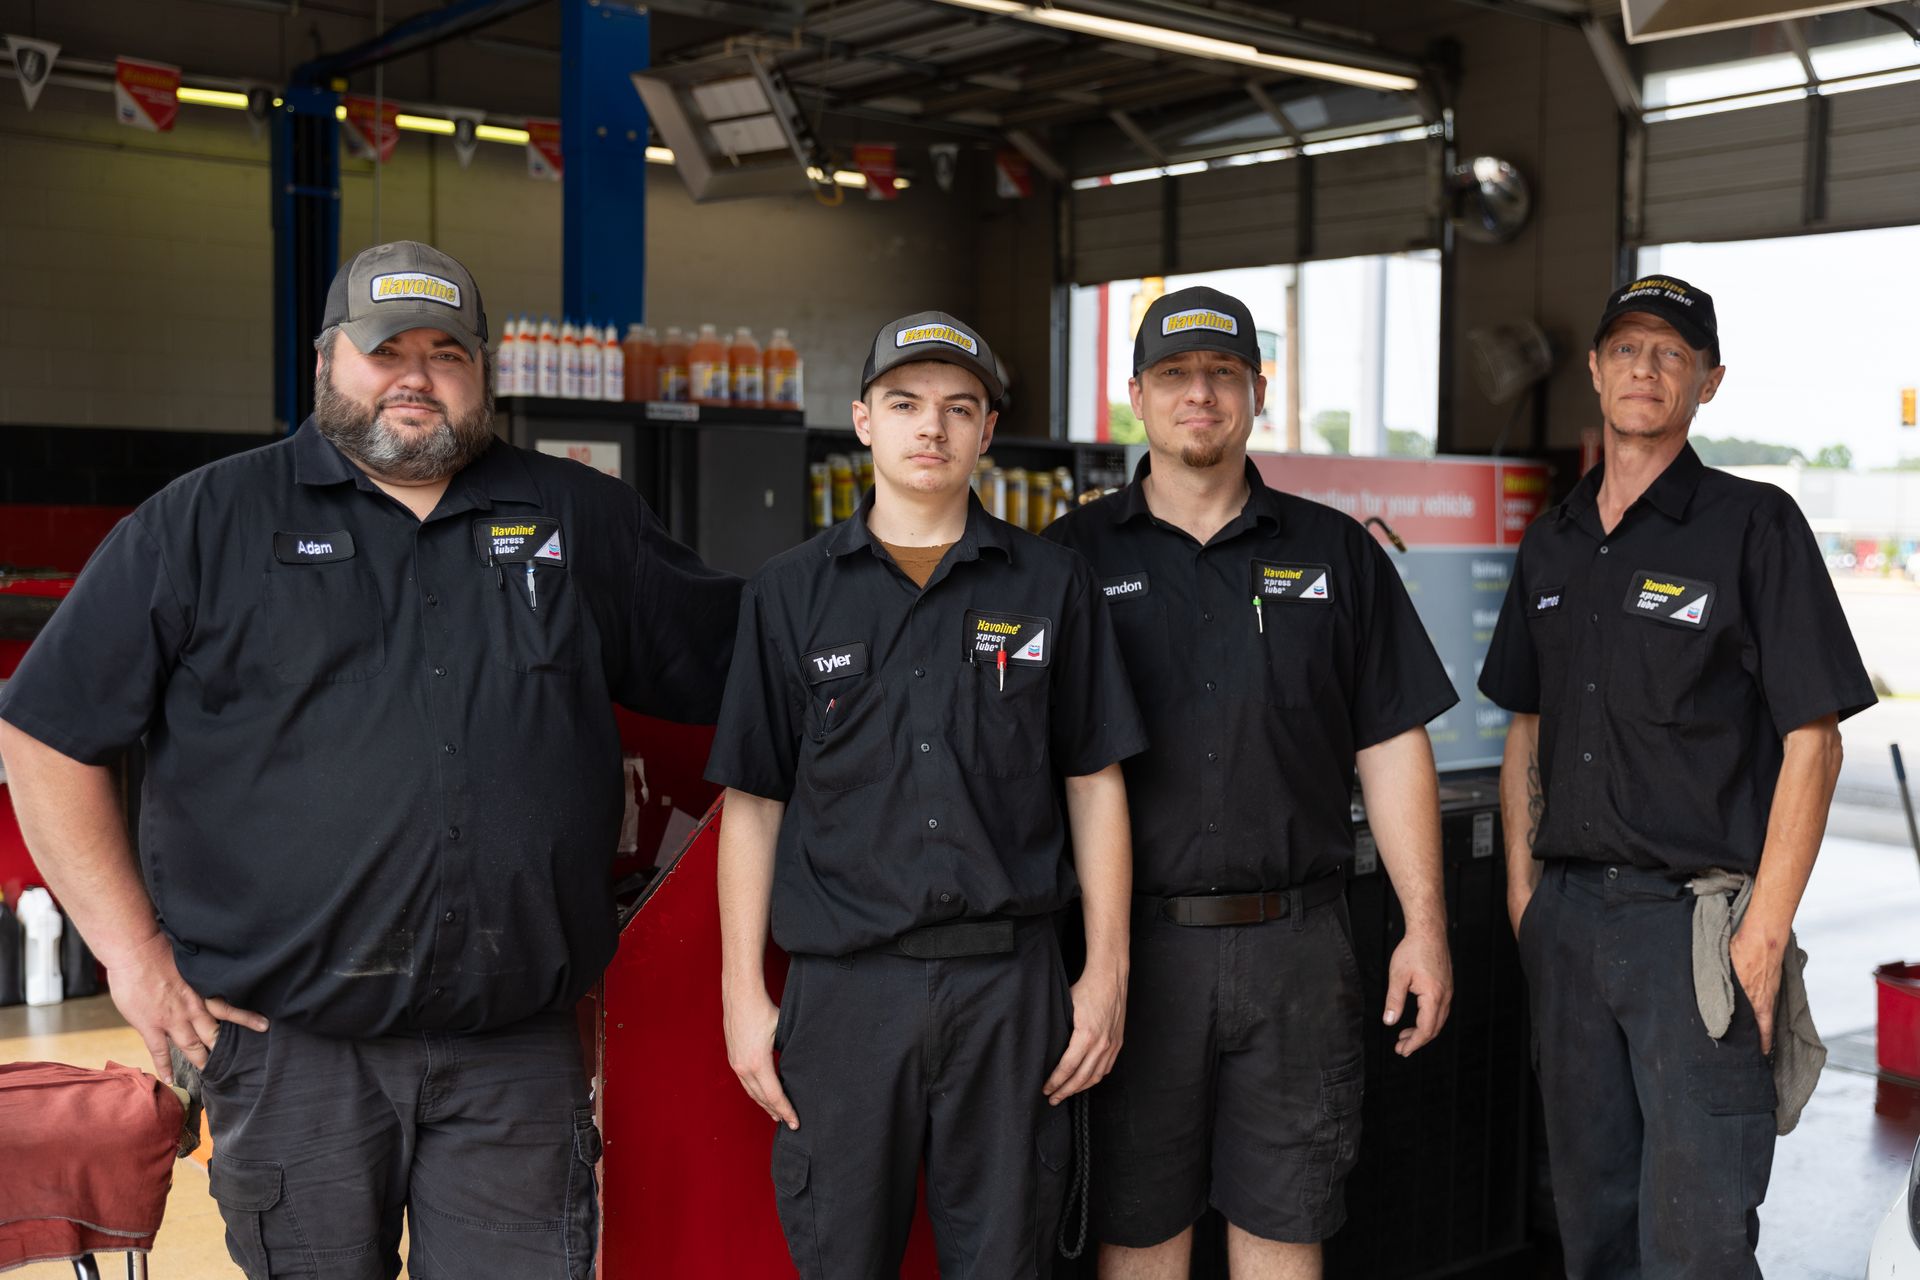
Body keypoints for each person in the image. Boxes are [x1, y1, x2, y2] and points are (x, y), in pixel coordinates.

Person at [0, 241, 741, 1279]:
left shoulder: (580, 518)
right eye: (387, 349)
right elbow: (44, 729)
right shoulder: (207, 522)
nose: (417, 376)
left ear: (482, 372)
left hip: (514, 1052)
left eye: (447, 352)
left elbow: (743, 660)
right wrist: (130, 954)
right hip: (294, 1050)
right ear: (326, 363)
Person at [708, 310, 1147, 1278]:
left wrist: (1106, 968)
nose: (931, 428)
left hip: (1010, 987)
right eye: (905, 403)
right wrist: (743, 990)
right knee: (842, 1255)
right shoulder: (788, 593)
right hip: (844, 994)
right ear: (863, 420)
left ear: (988, 430)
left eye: (959, 407)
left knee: (1008, 1259)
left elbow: (1094, 780)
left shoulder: (1051, 585)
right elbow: (755, 801)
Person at [1044, 285, 1459, 1279]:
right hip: (1135, 953)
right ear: (1137, 393)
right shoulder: (1067, 559)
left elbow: (1392, 743)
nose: (1202, 395)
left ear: (1257, 392)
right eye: (1178, 375)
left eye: (1223, 374)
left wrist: (1427, 922)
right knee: (1139, 1231)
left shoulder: (1337, 553)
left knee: (1285, 1222)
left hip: (1299, 947)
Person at [1479, 275, 1875, 1277]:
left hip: (1694, 935)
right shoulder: (1555, 538)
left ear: (1709, 380)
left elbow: (1814, 740)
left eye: (1672, 353)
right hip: (1570, 922)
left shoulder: (1755, 525)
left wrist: (1764, 928)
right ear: (1596, 369)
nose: (1646, 368)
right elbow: (1525, 721)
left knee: (1695, 1237)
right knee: (1593, 1222)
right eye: (1628, 349)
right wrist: (1528, 895)